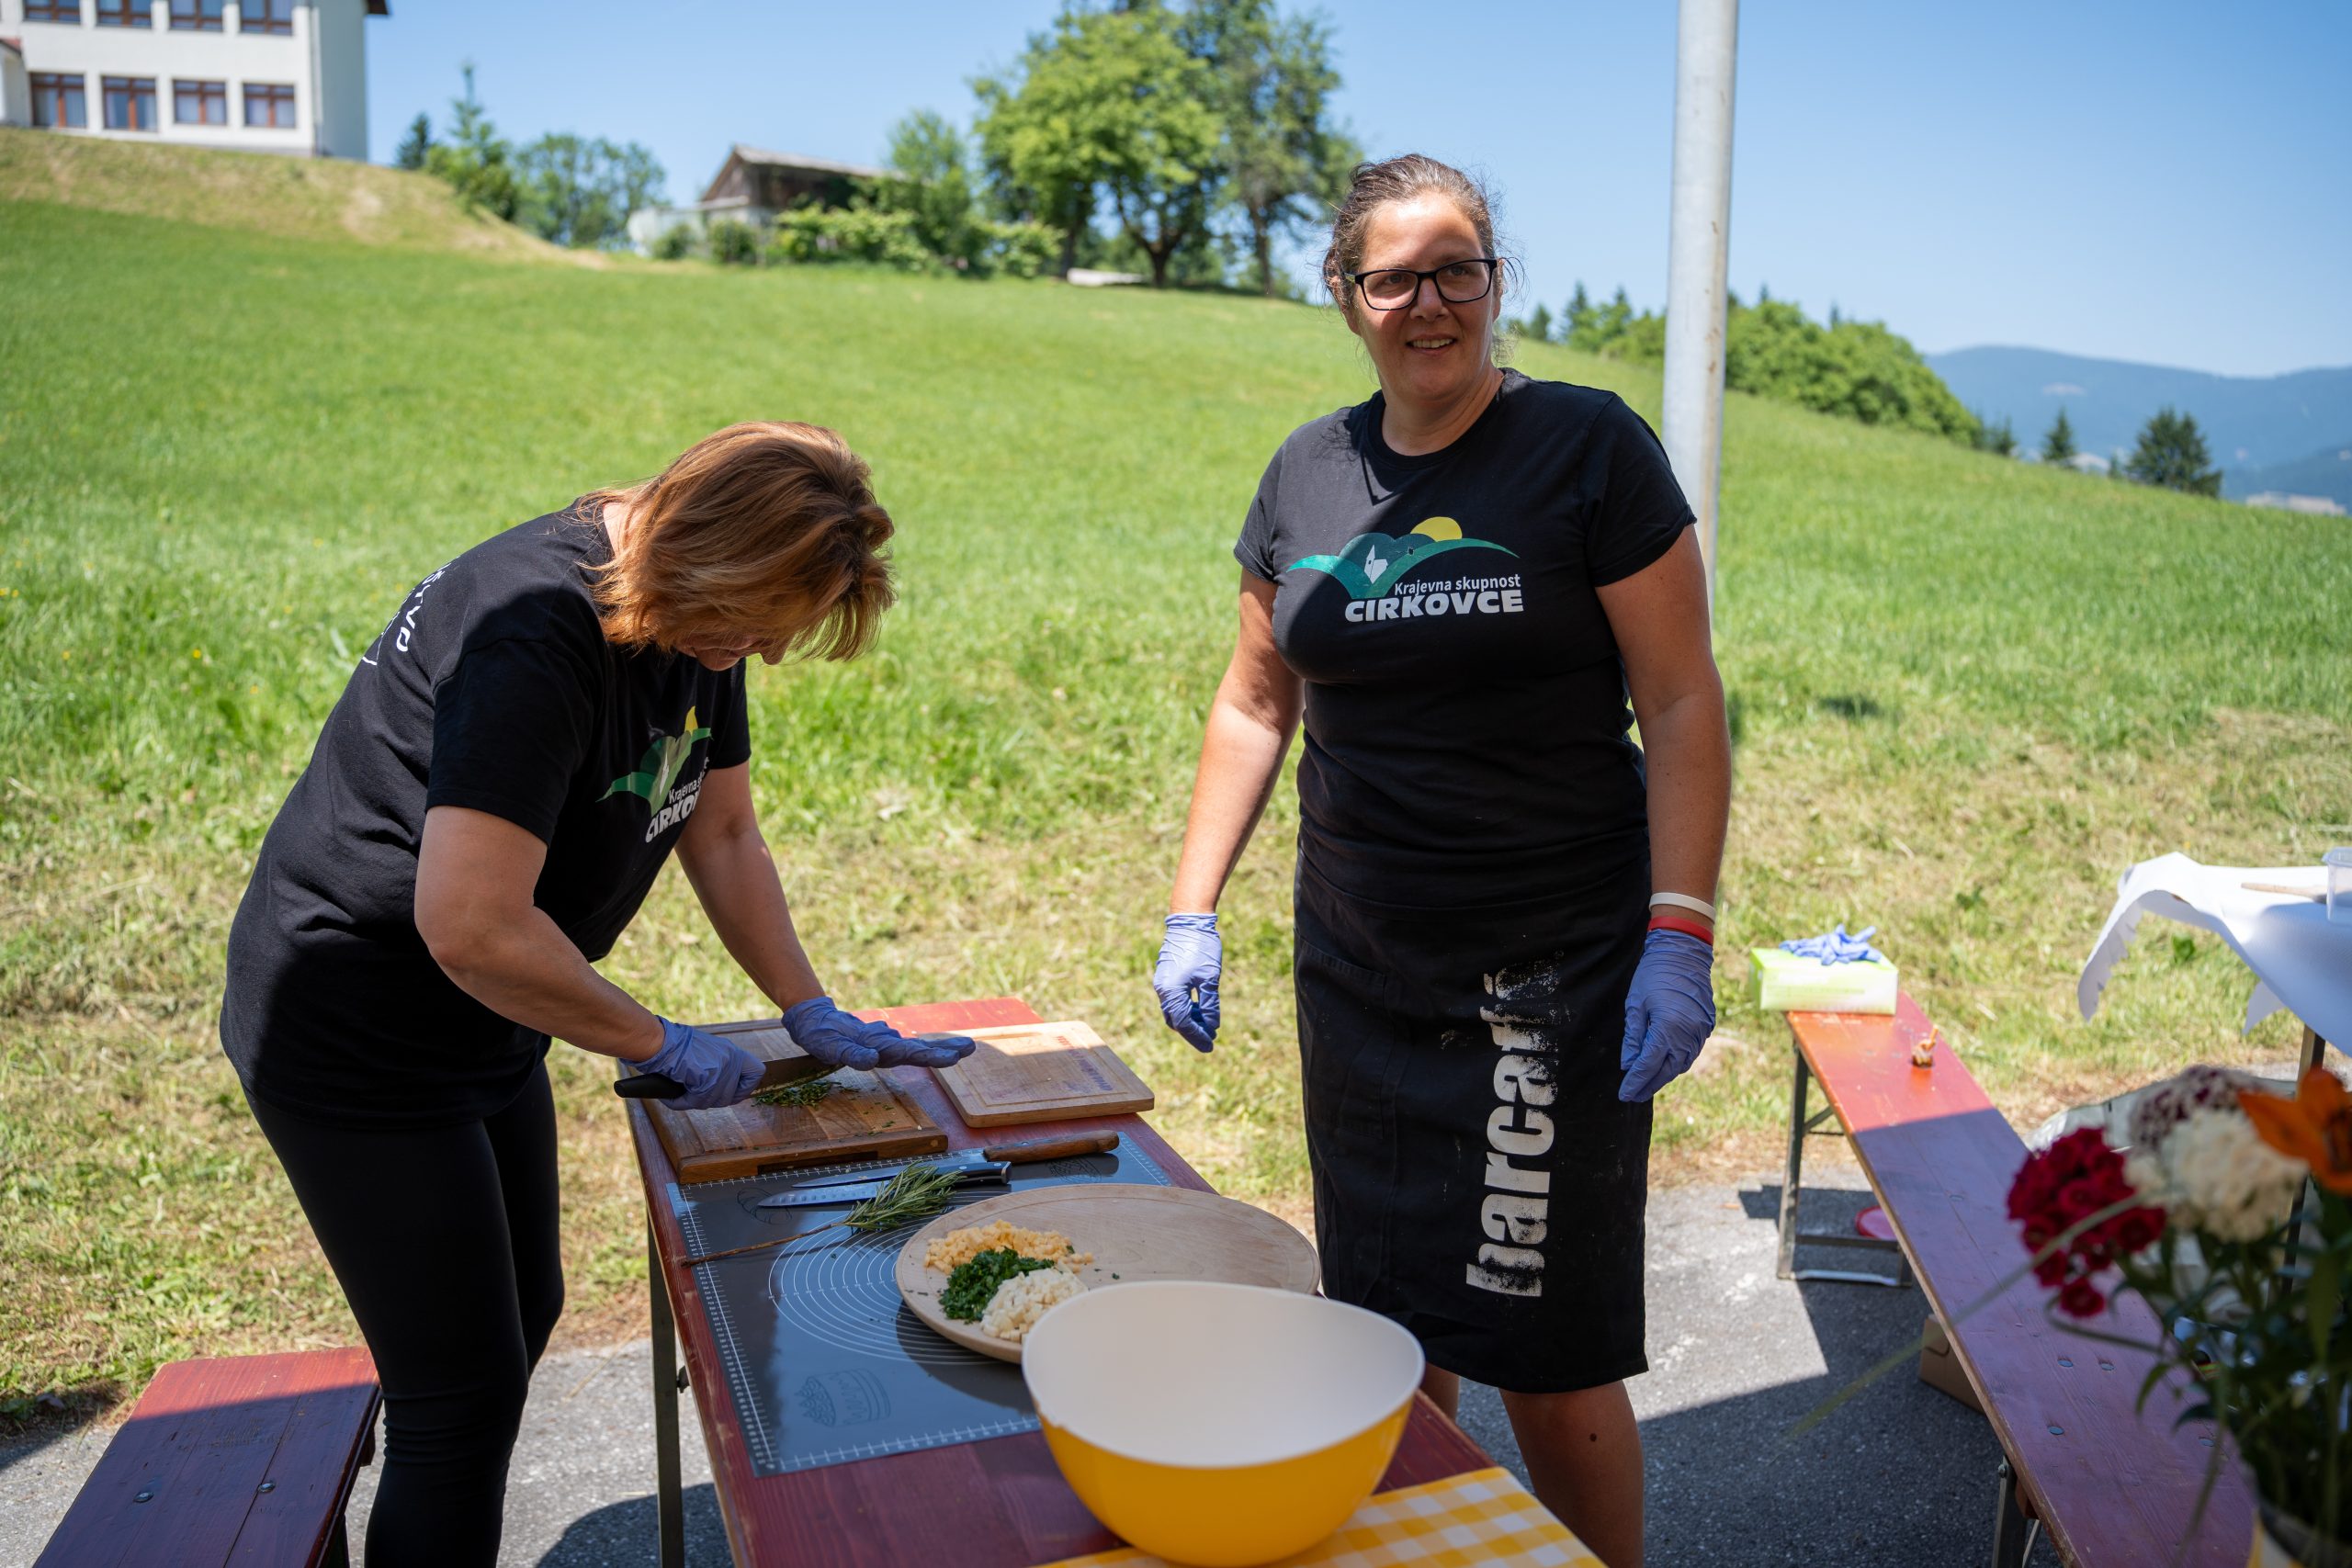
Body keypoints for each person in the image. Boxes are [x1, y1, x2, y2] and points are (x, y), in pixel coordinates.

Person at [219, 422, 974, 1566]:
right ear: (704, 554)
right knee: (458, 1399)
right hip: (362, 1027)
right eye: (755, 625)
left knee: (522, 1313)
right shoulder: (532, 632)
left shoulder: (695, 611)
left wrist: (806, 1006)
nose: (766, 655)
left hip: (488, 1015)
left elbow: (722, 831)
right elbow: (471, 926)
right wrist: (658, 1040)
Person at [1151, 156, 1728, 1568]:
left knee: (1544, 1340)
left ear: (1495, 281)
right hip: (1362, 964)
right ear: (1345, 294)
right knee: (1385, 1321)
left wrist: (1681, 930)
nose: (1430, 302)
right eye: (1395, 276)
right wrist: (1191, 909)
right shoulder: (1305, 471)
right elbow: (1255, 701)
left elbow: (1682, 701)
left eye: (1458, 268)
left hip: (1547, 971)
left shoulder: (1587, 447)